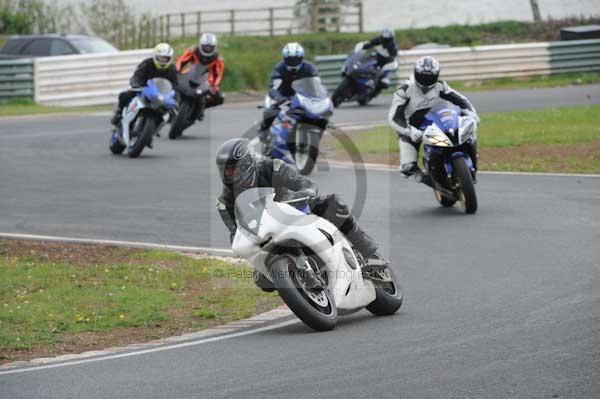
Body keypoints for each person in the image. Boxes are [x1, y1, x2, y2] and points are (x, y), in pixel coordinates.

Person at [215, 138, 387, 271]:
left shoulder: (271, 168)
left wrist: (307, 193)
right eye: (226, 170)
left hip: (295, 209)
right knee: (261, 279)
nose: (229, 174)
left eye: (233, 168)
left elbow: (303, 182)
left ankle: (368, 252)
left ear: (245, 163)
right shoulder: (224, 201)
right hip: (267, 234)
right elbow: (234, 232)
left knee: (332, 203)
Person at [388, 56, 480, 178]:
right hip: (412, 127)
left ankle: (473, 162)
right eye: (423, 77)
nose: (426, 81)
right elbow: (394, 117)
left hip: (437, 121)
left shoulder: (440, 86)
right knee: (408, 168)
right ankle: (424, 177)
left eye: (430, 77)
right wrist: (410, 131)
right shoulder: (404, 90)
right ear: (416, 73)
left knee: (467, 133)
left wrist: (472, 113)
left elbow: (461, 100)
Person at [258, 42, 319, 145]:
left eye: (296, 59)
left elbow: (316, 85)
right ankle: (264, 131)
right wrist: (278, 98)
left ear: (302, 57)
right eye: (290, 59)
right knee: (270, 112)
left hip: (303, 96)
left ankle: (313, 138)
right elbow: (274, 87)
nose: (293, 62)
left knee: (318, 115)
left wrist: (316, 96)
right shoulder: (279, 68)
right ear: (284, 58)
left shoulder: (309, 68)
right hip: (283, 96)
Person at [110, 43, 177, 128]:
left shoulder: (172, 69)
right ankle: (119, 113)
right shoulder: (147, 63)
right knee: (124, 95)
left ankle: (161, 122)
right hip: (143, 89)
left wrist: (174, 97)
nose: (163, 60)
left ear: (170, 58)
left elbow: (175, 84)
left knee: (173, 107)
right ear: (155, 56)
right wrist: (135, 84)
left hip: (161, 93)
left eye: (166, 58)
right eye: (161, 57)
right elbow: (137, 75)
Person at [175, 32, 225, 119]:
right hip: (190, 73)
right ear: (200, 45)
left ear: (214, 47)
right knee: (174, 84)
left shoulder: (218, 58)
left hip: (206, 79)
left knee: (219, 97)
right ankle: (172, 105)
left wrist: (214, 85)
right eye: (205, 46)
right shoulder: (192, 51)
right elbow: (181, 61)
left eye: (210, 47)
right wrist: (176, 71)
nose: (207, 49)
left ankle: (202, 108)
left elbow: (218, 74)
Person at [356, 28, 398, 97]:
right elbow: (369, 43)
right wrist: (362, 47)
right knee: (365, 63)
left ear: (391, 39)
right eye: (384, 38)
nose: (385, 40)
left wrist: (388, 65)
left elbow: (394, 59)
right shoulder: (378, 40)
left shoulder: (393, 47)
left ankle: (374, 91)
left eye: (387, 39)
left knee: (384, 82)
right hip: (376, 59)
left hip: (385, 64)